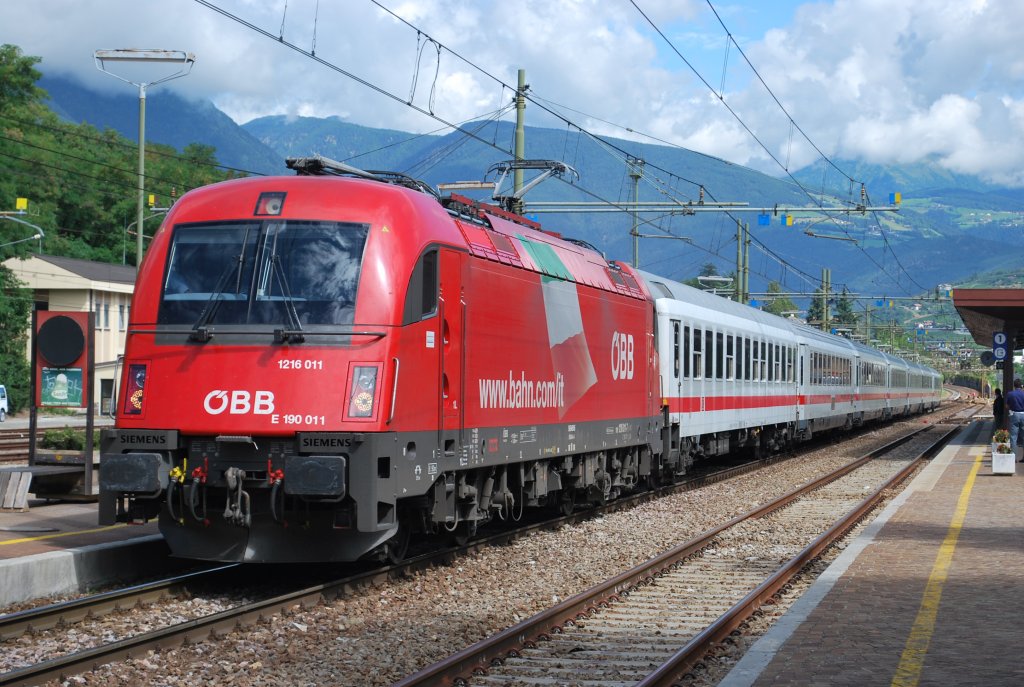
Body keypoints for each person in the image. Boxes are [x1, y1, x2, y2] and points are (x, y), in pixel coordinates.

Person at [1005, 379, 1024, 461]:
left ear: (1014, 385)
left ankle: (1014, 458)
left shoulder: (1010, 394)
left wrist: (1011, 409)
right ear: (1021, 386)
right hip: (1023, 415)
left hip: (1014, 415)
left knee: (1013, 437)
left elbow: (1006, 406)